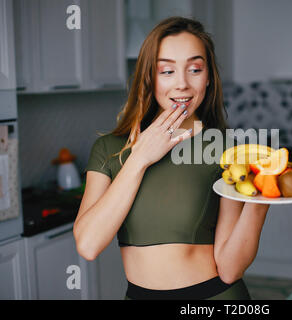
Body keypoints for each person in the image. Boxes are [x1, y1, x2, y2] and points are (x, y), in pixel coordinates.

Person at [74, 16, 270, 300]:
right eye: (167, 71)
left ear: (209, 77)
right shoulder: (108, 149)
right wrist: (140, 158)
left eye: (194, 69)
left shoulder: (226, 150)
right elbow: (88, 245)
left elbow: (230, 269)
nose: (182, 84)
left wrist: (260, 203)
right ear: (148, 77)